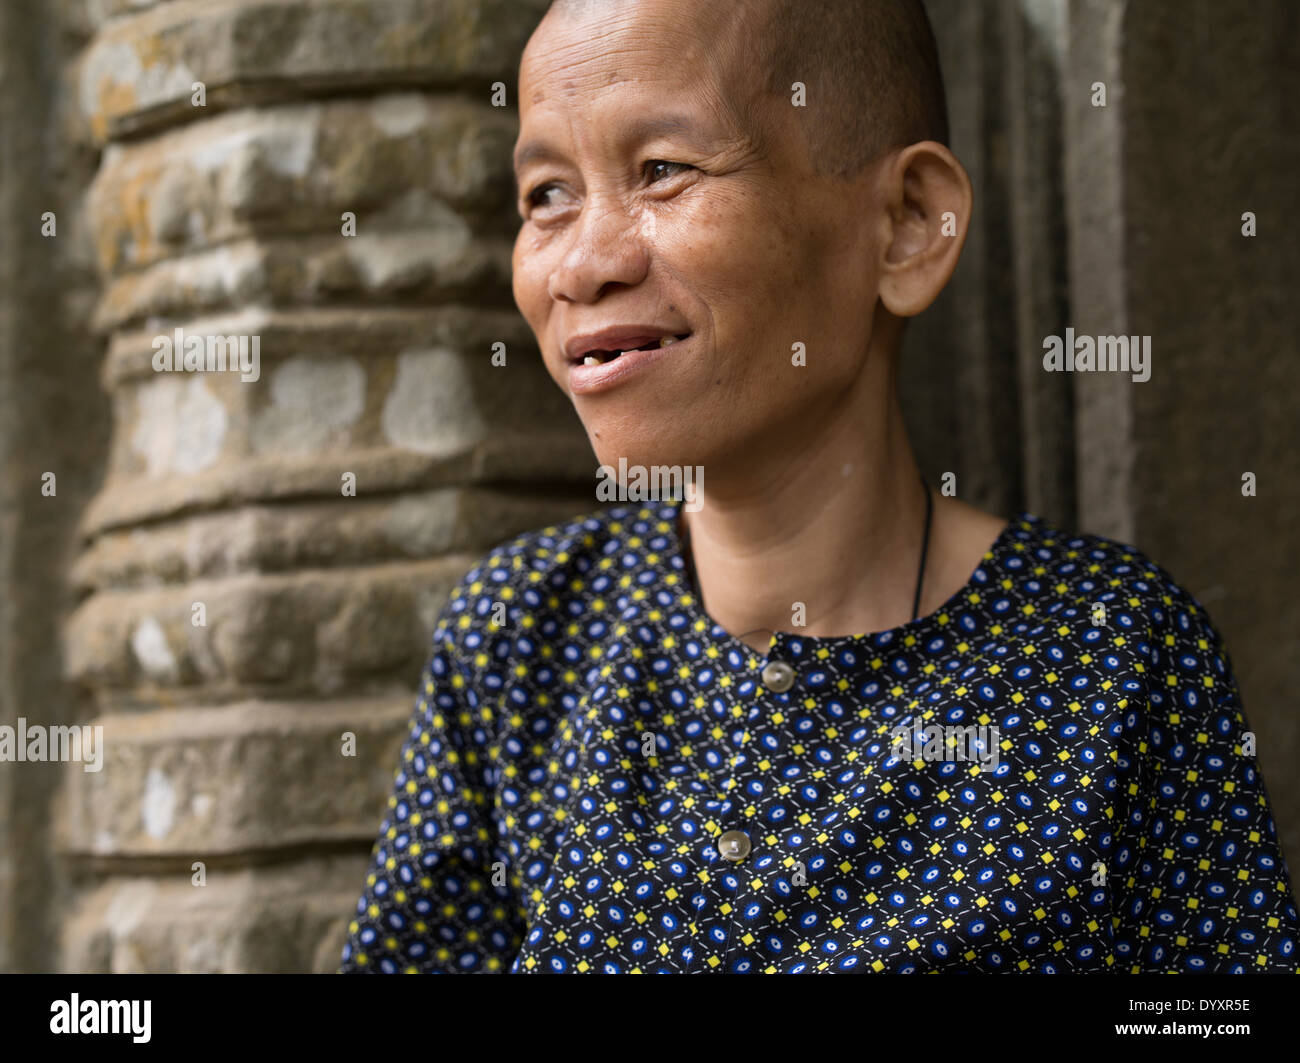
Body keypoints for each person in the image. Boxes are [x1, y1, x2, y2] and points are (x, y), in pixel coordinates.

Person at [339, 0, 1299, 973]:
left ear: (906, 225)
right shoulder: (523, 643)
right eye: (547, 194)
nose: (582, 263)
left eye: (663, 170)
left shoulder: (1109, 654)